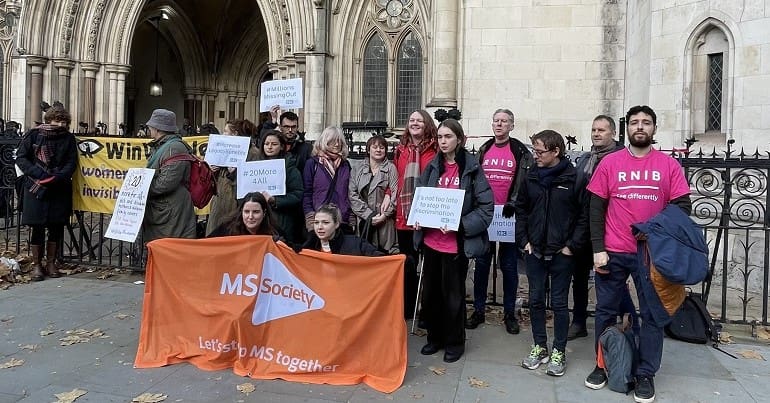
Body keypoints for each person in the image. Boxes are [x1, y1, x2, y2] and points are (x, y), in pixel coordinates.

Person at [584, 106, 691, 403]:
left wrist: (657, 231)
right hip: (614, 252)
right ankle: (603, 365)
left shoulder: (669, 166)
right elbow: (595, 208)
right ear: (626, 129)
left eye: (646, 122)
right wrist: (598, 249)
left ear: (654, 128)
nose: (640, 127)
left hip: (652, 256)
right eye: (634, 122)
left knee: (653, 316)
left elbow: (682, 207)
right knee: (605, 311)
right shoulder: (610, 163)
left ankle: (646, 373)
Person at [414, 119, 494, 363]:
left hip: (454, 245)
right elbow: (421, 195)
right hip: (431, 242)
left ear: (459, 139)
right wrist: (417, 216)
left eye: (448, 136)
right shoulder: (432, 167)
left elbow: (486, 208)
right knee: (431, 296)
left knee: (454, 298)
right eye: (440, 137)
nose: (443, 141)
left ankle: (454, 343)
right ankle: (434, 338)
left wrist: (461, 225)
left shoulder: (471, 169)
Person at [515, 130, 588, 377]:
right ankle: (539, 346)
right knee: (535, 300)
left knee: (558, 304)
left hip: (561, 253)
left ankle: (559, 349)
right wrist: (523, 240)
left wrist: (571, 247)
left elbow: (583, 217)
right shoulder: (530, 177)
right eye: (534, 150)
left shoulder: (575, 178)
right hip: (534, 250)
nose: (535, 155)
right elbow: (521, 209)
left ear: (556, 151)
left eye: (540, 151)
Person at [569, 115, 637, 341]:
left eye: (602, 130)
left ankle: (629, 319)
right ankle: (578, 321)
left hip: (608, 230)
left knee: (612, 281)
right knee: (579, 278)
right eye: (594, 129)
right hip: (582, 228)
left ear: (613, 133)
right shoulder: (584, 160)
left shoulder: (620, 160)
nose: (597, 134)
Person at [466, 108, 532, 335]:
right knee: (482, 265)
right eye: (496, 121)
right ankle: (479, 310)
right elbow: (475, 180)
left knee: (509, 266)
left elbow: (526, 182)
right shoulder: (484, 149)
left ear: (512, 126)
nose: (499, 125)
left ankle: (509, 314)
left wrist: (514, 203)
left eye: (504, 121)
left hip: (508, 217)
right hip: (485, 215)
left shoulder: (520, 151)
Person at [16, 105, 77, 281]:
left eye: (63, 122)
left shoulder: (68, 138)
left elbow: (71, 162)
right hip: (36, 186)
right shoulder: (33, 135)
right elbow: (21, 157)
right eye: (57, 121)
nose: (60, 124)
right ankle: (37, 265)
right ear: (48, 120)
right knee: (37, 227)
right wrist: (39, 174)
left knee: (56, 226)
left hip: (59, 186)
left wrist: (58, 176)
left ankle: (51, 263)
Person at [394, 109, 438, 320]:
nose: (414, 123)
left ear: (427, 124)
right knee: (408, 264)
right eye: (411, 120)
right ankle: (409, 308)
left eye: (419, 120)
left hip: (427, 216)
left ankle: (428, 310)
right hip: (404, 216)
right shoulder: (400, 149)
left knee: (429, 266)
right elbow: (397, 178)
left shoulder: (436, 149)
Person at [142, 108, 197, 242]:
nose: (149, 129)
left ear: (158, 128)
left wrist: (142, 188)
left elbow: (166, 183)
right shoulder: (165, 146)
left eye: (151, 126)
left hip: (171, 212)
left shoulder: (174, 148)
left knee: (170, 250)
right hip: (165, 210)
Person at [206, 119, 261, 236]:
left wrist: (235, 174)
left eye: (225, 131)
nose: (223, 134)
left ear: (235, 133)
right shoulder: (222, 150)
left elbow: (252, 182)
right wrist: (212, 171)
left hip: (237, 205)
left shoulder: (253, 153)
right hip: (220, 203)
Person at [348, 135, 399, 254]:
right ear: (368, 149)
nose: (378, 150)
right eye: (375, 147)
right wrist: (368, 215)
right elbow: (352, 194)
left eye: (382, 147)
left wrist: (384, 215)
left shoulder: (391, 168)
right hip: (363, 221)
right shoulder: (357, 169)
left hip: (384, 223)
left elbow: (395, 193)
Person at [302, 126, 353, 233]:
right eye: (333, 141)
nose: (337, 144)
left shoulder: (345, 165)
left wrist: (350, 216)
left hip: (342, 220)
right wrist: (310, 217)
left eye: (339, 141)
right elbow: (307, 193)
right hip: (320, 220)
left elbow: (350, 192)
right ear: (325, 141)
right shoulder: (312, 164)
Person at [259, 130, 304, 244]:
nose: (269, 147)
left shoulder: (289, 167)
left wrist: (275, 200)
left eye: (274, 144)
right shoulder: (255, 165)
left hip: (282, 221)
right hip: (259, 220)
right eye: (266, 144)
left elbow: (298, 194)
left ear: (282, 146)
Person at [302, 204, 383, 256]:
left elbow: (380, 260)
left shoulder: (356, 244)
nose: (319, 227)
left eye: (325, 222)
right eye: (316, 222)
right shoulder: (307, 248)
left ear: (336, 224)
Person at [260, 107, 312, 173]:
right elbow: (264, 137)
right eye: (286, 127)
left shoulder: (306, 148)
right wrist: (273, 121)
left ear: (297, 127)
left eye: (293, 127)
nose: (290, 130)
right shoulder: (274, 143)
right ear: (280, 127)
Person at [207, 192, 279, 237]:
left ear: (264, 213)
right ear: (241, 211)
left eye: (256, 212)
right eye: (246, 212)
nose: (250, 217)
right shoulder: (226, 229)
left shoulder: (275, 233)